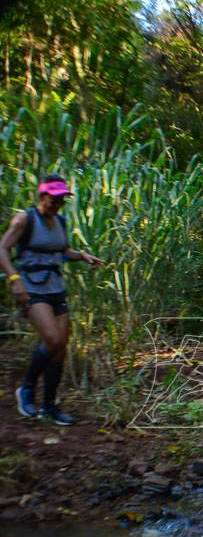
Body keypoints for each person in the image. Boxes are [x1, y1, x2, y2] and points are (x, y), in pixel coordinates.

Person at [2, 175, 102, 425]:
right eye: (54, 198)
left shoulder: (60, 221)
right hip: (31, 288)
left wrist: (82, 256)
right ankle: (26, 389)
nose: (58, 203)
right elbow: (2, 248)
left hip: (55, 288)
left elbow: (62, 250)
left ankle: (49, 406)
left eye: (62, 199)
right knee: (53, 339)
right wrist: (14, 280)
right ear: (42, 196)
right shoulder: (25, 219)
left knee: (60, 349)